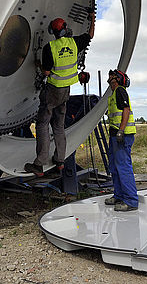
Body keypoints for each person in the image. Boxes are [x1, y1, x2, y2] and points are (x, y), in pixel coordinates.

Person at [24, 11, 94, 176]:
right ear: (65, 29)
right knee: (59, 126)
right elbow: (90, 35)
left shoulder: (50, 48)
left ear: (52, 32)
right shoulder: (74, 43)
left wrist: (38, 64)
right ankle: (60, 161)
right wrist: (92, 18)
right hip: (66, 91)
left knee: (42, 124)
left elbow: (47, 73)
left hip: (53, 91)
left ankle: (39, 164)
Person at [105, 69, 138, 211]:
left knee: (123, 167)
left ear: (116, 79)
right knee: (114, 166)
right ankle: (119, 195)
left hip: (122, 136)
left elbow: (126, 110)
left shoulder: (120, 91)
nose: (109, 80)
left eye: (111, 77)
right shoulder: (114, 94)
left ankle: (131, 200)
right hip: (115, 135)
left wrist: (121, 131)